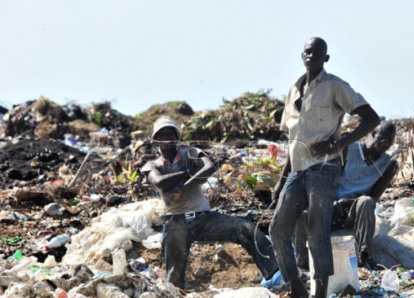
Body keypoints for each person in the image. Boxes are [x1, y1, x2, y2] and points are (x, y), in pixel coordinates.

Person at [269, 37, 380, 298]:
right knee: (277, 228)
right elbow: (292, 140)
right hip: (298, 170)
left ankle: (320, 292)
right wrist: (281, 180)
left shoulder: (334, 86)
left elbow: (371, 118)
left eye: (317, 53)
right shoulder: (294, 90)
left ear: (325, 58)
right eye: (308, 52)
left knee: (317, 231)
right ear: (302, 55)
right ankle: (296, 286)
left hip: (323, 168)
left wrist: (338, 144)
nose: (311, 57)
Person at [142, 116, 278, 288]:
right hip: (175, 222)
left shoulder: (190, 153)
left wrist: (183, 187)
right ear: (156, 140)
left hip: (204, 219)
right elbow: (159, 181)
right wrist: (187, 173)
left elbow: (209, 167)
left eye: (170, 133)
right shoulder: (152, 165)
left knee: (247, 229)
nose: (167, 137)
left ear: (178, 137)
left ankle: (273, 270)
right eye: (162, 135)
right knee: (174, 277)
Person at [293, 121, 398, 270]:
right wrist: (331, 203)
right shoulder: (349, 149)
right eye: (382, 139)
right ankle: (302, 262)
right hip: (330, 205)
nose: (386, 144)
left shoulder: (389, 164)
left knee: (367, 201)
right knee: (301, 215)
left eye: (390, 141)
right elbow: (328, 180)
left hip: (353, 211)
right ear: (373, 135)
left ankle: (364, 255)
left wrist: (345, 203)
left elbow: (374, 198)